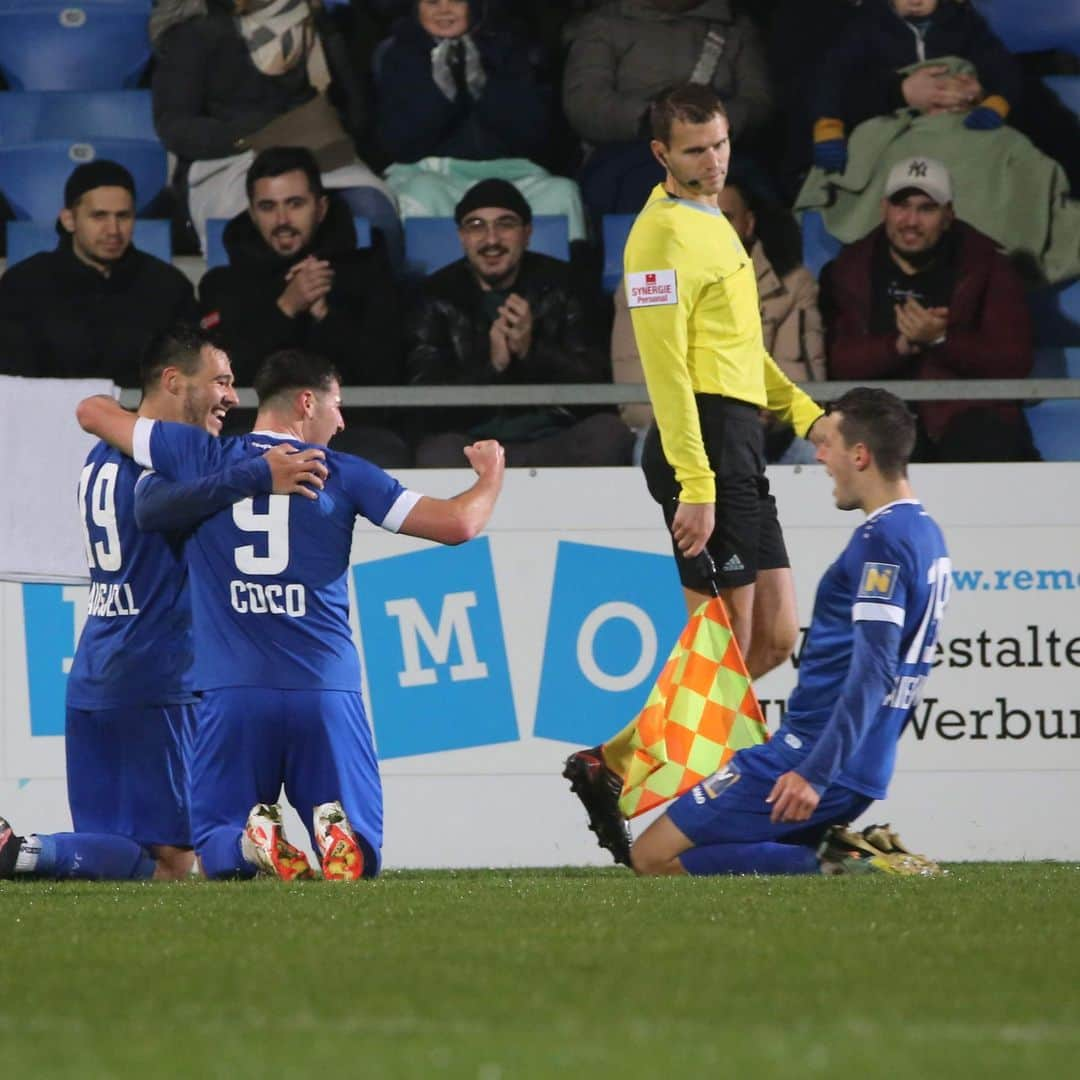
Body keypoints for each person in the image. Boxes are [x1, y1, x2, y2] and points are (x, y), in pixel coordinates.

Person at [73, 348, 506, 881]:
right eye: (337, 404)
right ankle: (333, 832)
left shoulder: (198, 454)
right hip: (326, 690)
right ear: (307, 402)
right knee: (358, 859)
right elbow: (458, 524)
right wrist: (491, 475)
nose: (342, 420)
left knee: (219, 851)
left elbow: (99, 422)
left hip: (232, 693)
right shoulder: (344, 472)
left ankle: (252, 840)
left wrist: (245, 476)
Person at [562, 83, 823, 866]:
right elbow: (667, 369)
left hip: (740, 443)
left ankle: (606, 765)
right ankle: (631, 787)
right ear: (660, 156)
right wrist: (697, 482)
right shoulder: (659, 238)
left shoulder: (713, 223)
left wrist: (810, 415)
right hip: (701, 445)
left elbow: (742, 355)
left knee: (771, 641)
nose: (714, 163)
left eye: (721, 145)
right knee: (724, 650)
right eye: (695, 151)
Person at [0, 327, 327, 882]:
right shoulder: (171, 461)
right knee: (176, 860)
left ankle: (23, 851)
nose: (231, 396)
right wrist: (257, 475)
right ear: (175, 382)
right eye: (220, 381)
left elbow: (95, 413)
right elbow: (161, 510)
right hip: (158, 679)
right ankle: (21, 850)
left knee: (118, 850)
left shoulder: (101, 455)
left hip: (97, 672)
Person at [629, 387, 950, 878]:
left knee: (651, 857)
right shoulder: (925, 533)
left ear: (860, 455)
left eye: (831, 444)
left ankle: (843, 861)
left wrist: (814, 775)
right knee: (723, 858)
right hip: (857, 762)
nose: (820, 455)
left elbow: (875, 670)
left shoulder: (882, 541)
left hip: (810, 758)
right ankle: (838, 851)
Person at [198, 146, 411, 465]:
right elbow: (227, 376)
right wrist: (286, 308)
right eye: (268, 207)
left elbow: (384, 370)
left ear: (321, 208)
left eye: (295, 204)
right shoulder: (224, 285)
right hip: (251, 432)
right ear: (253, 214)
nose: (282, 220)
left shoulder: (367, 274)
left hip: (354, 430)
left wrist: (326, 315)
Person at [820, 156, 1038, 462]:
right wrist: (898, 345)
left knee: (983, 437)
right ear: (884, 208)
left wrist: (941, 339)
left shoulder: (989, 266)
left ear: (948, 215)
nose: (911, 221)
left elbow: (1014, 362)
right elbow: (836, 363)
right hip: (878, 420)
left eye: (927, 208)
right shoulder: (848, 270)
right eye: (902, 206)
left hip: (967, 419)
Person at [150, 0, 402, 264]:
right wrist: (259, 133)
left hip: (317, 150)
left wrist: (328, 33)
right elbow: (174, 125)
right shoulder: (195, 30)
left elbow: (356, 114)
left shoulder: (314, 20)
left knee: (375, 210)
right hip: (232, 159)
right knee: (257, 224)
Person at [407, 178, 634, 467]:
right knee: (435, 452)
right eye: (476, 226)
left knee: (608, 434)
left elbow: (598, 387)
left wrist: (532, 351)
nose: (491, 239)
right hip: (472, 444)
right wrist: (492, 365)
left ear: (527, 233)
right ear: (461, 236)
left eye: (506, 224)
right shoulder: (434, 296)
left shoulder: (566, 286)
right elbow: (422, 403)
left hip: (555, 438)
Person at [612, 179, 826, 464]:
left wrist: (769, 413)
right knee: (648, 451)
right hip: (680, 432)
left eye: (723, 219)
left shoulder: (791, 283)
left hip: (764, 431)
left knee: (816, 454)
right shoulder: (643, 284)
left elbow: (801, 377)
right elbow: (635, 395)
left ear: (748, 225)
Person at [375, 0, 586, 239]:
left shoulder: (512, 47)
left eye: (455, 1)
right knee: (420, 191)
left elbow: (534, 135)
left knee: (562, 192)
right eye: (432, 2)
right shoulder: (399, 55)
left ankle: (555, 277)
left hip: (511, 171)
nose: (444, 10)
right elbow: (399, 143)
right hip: (434, 174)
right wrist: (444, 97)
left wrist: (485, 88)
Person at [562, 0, 774, 221]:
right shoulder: (604, 24)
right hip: (632, 151)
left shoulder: (734, 26)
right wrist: (649, 118)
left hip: (719, 150)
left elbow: (758, 102)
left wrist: (709, 121)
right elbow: (585, 103)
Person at [0, 161, 197, 385]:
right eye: (99, 216)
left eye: (123, 216)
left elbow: (186, 376)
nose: (113, 230)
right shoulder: (23, 285)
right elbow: (13, 380)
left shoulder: (169, 287)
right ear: (69, 220)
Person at [811, 0, 1022, 176]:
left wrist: (995, 102)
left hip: (955, 121)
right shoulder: (864, 23)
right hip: (890, 126)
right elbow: (834, 79)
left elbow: (1001, 67)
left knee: (1006, 159)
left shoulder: (964, 22)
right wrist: (828, 126)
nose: (915, 1)